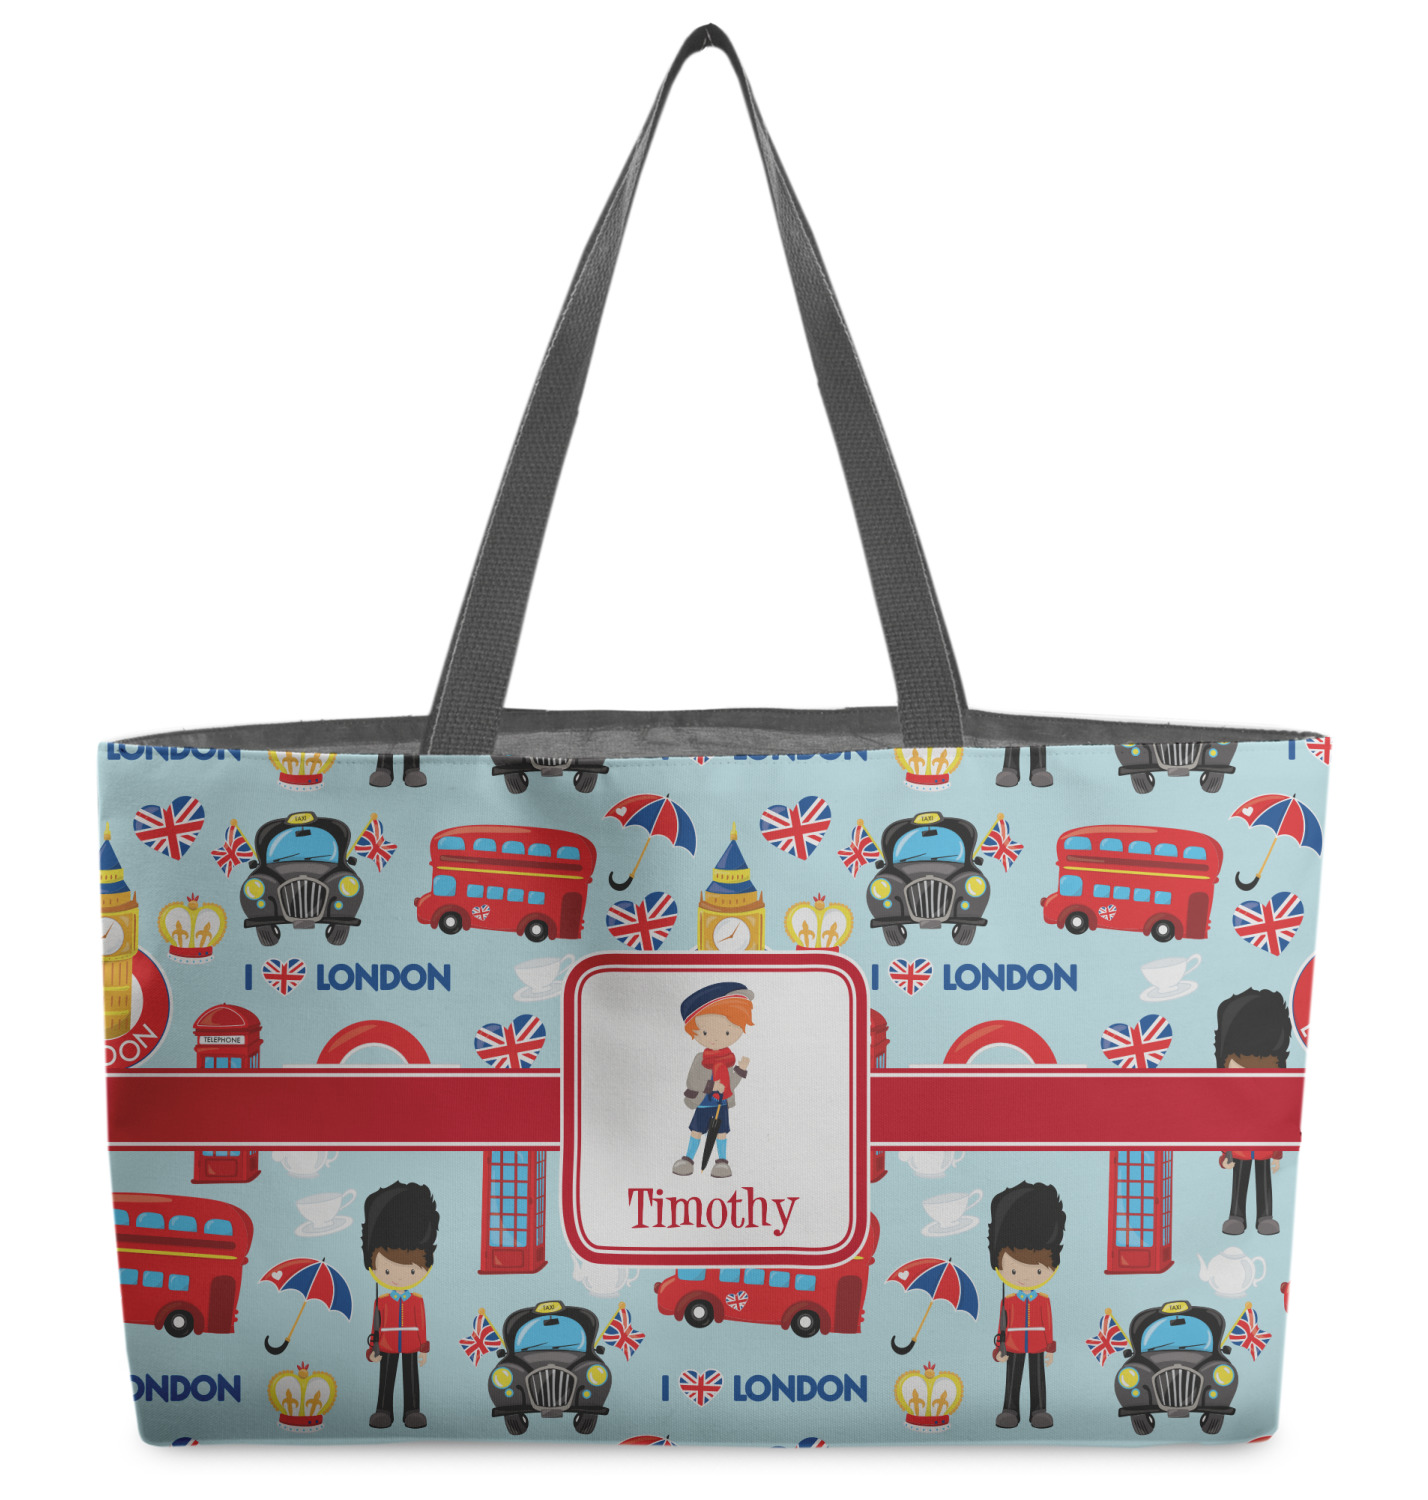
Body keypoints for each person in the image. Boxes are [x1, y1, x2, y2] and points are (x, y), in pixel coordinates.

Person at [988, 1180, 1065, 1430]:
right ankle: (1010, 1409)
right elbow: (1002, 1326)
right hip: (1012, 1344)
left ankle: (1038, 1409)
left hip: (1038, 1344)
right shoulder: (1008, 1301)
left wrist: (1050, 1348)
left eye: (1038, 1269)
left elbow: (1048, 1324)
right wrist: (999, 1348)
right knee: (1012, 1377)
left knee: (1037, 1377)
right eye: (1013, 1269)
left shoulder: (1043, 1301)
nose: (1023, 1276)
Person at [1214, 989, 1292, 1235]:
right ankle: (1236, 1216)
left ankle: (1265, 1216)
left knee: (1263, 1179)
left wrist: (1277, 1153)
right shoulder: (1230, 1100)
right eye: (1241, 1068)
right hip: (1238, 1149)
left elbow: (1278, 1125)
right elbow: (1224, 1125)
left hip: (1264, 1149)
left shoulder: (1272, 1099)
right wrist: (1225, 1153)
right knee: (1240, 1181)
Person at [362, 1181, 439, 1429]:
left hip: (411, 1344)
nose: (397, 1276)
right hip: (385, 1344)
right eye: (386, 1269)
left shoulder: (417, 1301)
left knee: (411, 1378)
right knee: (386, 1378)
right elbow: (375, 1326)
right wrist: (372, 1347)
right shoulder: (381, 1302)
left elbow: (421, 1325)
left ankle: (412, 1410)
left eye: (411, 1269)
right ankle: (383, 1410)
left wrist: (424, 1348)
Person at [673, 981, 753, 1180]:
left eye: (727, 1032)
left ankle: (722, 1161)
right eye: (705, 1032)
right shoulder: (700, 1059)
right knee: (696, 1131)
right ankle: (688, 1159)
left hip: (721, 1104)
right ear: (695, 1031)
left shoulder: (728, 1061)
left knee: (721, 1133)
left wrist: (740, 1070)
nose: (715, 1038)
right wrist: (711, 1086)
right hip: (703, 1104)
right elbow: (692, 1082)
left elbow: (730, 1085)